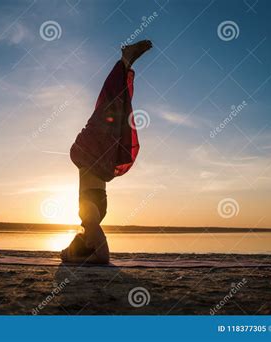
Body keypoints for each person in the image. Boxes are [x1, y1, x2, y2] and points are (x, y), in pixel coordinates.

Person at [61, 40, 153, 264]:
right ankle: (124, 61)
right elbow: (103, 257)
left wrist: (73, 257)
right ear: (86, 243)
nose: (74, 237)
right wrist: (83, 260)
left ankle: (125, 64)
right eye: (74, 242)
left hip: (97, 163)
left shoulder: (92, 217)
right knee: (108, 109)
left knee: (115, 113)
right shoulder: (88, 217)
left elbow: (79, 253)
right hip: (92, 157)